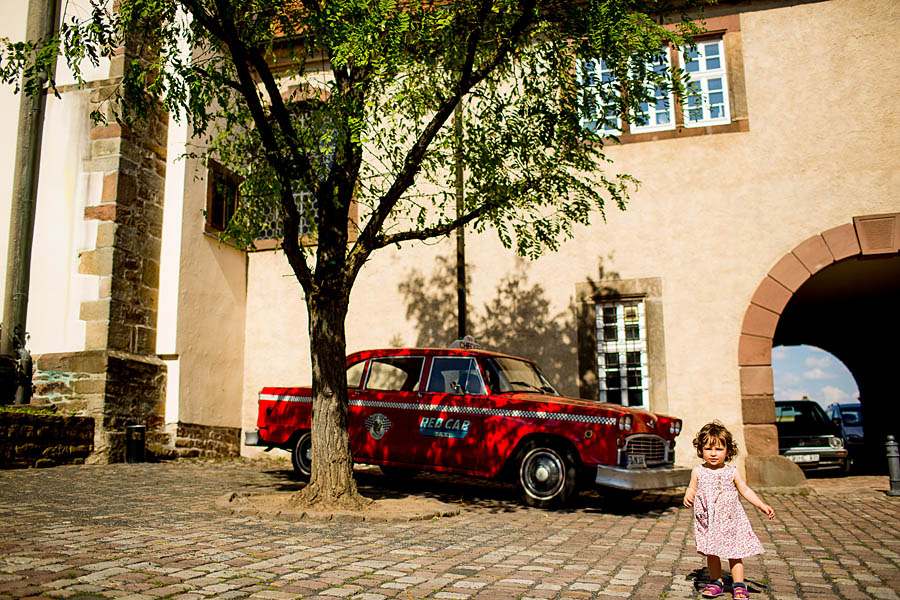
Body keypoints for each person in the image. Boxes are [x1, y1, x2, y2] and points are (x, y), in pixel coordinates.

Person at [683, 421, 776, 599]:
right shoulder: (698, 471)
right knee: (712, 551)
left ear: (728, 451)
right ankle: (716, 581)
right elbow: (692, 487)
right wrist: (688, 495)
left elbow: (745, 490)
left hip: (730, 521)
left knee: (735, 552)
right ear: (701, 449)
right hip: (708, 519)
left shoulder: (731, 472)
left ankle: (739, 584)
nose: (713, 453)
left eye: (718, 449)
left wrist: (761, 505)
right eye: (708, 449)